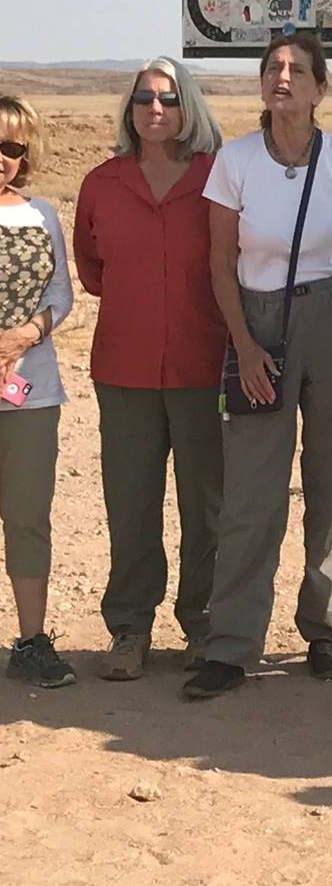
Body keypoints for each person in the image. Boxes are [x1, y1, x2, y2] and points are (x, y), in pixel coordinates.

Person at [183, 32, 332, 699]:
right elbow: (218, 261)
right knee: (252, 491)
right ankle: (232, 643)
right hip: (259, 324)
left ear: (321, 88)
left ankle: (324, 633)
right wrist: (243, 342)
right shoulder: (233, 161)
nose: (283, 78)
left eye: (297, 70)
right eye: (273, 68)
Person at [75, 58, 225, 680]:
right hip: (125, 368)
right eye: (143, 99)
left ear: (188, 107)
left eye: (168, 98)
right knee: (131, 502)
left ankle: (205, 625)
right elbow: (91, 270)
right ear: (129, 109)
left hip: (205, 367)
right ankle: (130, 629)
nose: (155, 109)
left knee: (207, 503)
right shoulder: (102, 183)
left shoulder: (218, 178)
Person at [0, 97, 75, 688]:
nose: (1, 158)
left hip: (31, 389)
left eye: (12, 147)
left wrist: (27, 333)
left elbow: (61, 293)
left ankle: (31, 640)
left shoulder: (43, 214)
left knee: (27, 517)